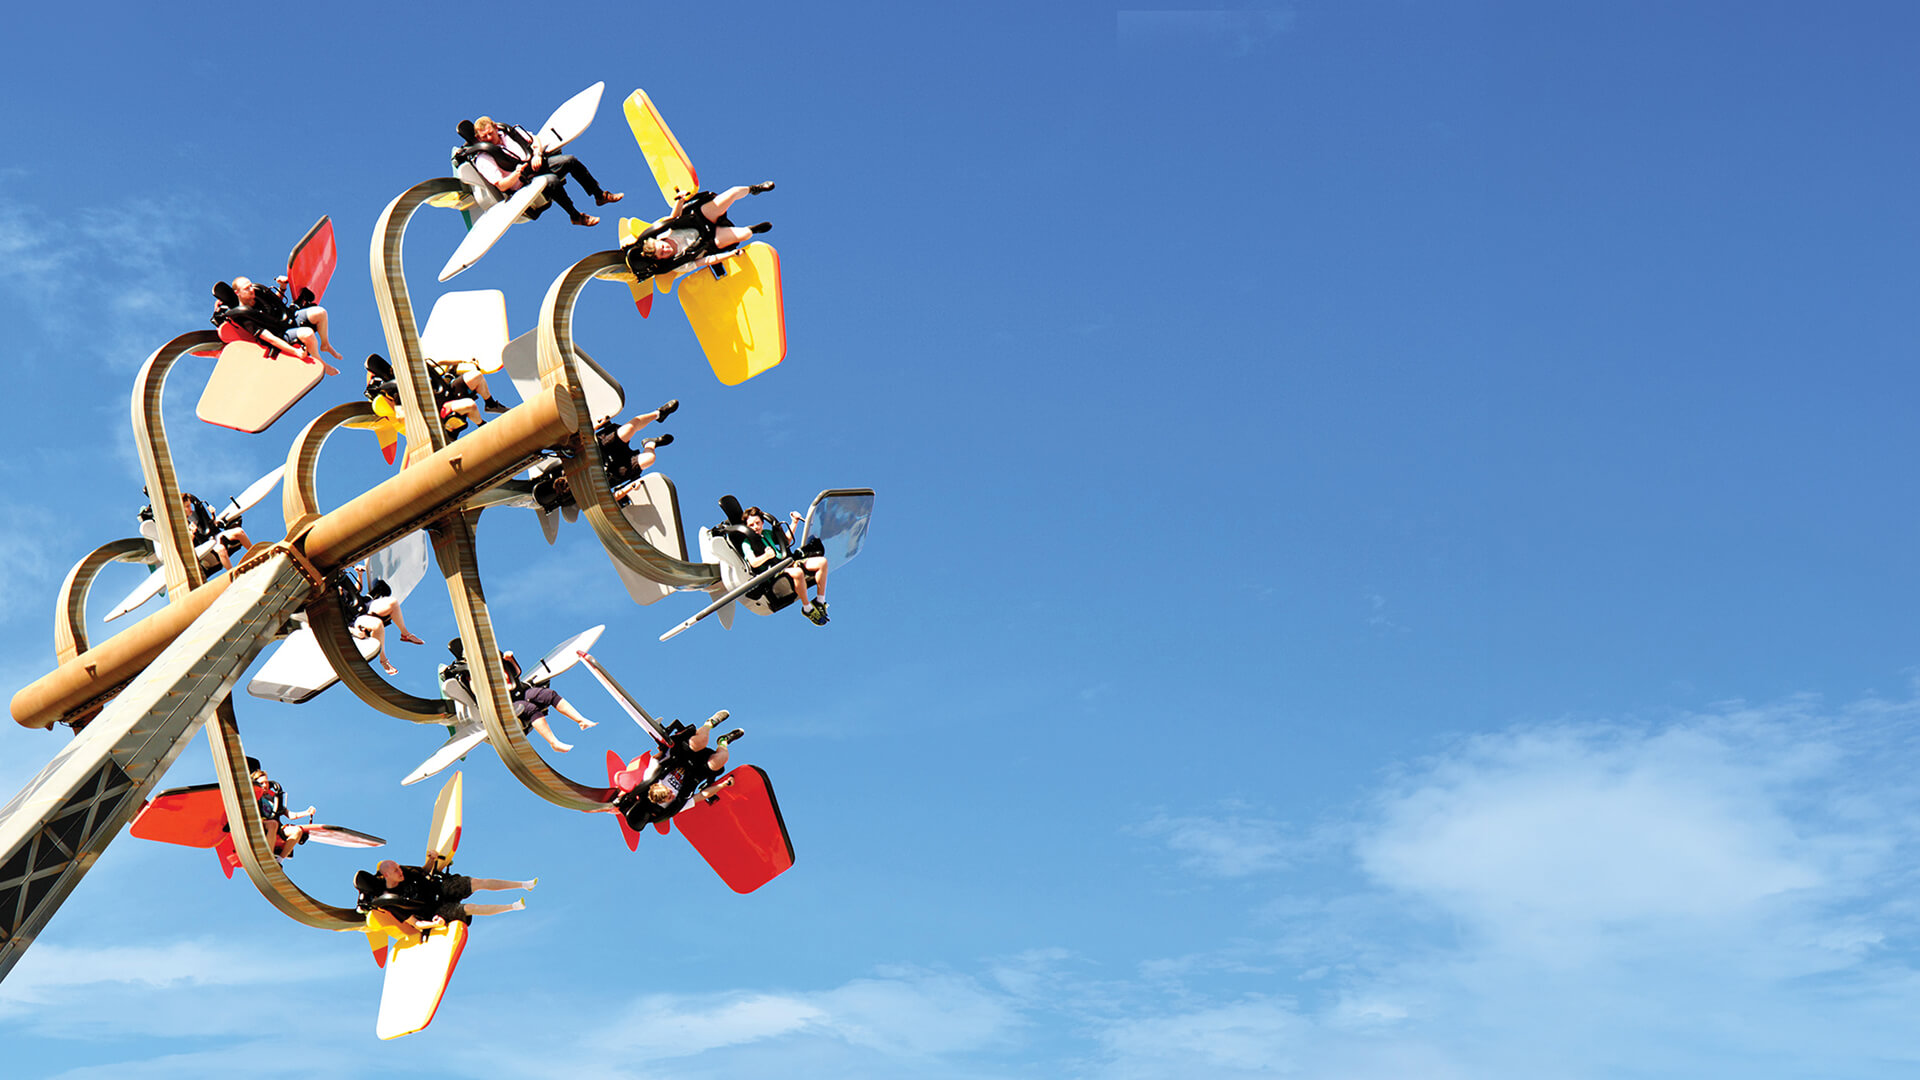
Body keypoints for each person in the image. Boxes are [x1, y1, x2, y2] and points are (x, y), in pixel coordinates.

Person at [453, 116, 622, 228]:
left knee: (570, 160)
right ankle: (576, 216)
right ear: (478, 138)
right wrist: (516, 173)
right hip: (524, 184)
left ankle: (599, 195)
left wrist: (537, 154)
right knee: (551, 181)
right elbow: (502, 185)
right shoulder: (484, 158)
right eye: (484, 137)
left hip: (537, 165)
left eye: (491, 133)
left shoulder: (508, 133)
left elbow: (535, 140)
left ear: (496, 128)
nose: (489, 138)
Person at [442, 638, 595, 753]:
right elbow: (480, 693)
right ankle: (554, 742)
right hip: (504, 705)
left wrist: (510, 659)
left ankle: (581, 720)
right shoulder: (472, 678)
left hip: (519, 692)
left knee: (548, 694)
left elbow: (516, 673)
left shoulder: (500, 663)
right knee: (529, 708)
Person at [608, 711, 743, 830]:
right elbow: (701, 796)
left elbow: (656, 758)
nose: (672, 795)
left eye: (669, 793)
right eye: (669, 797)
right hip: (696, 770)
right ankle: (723, 741)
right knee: (721, 759)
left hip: (682, 755)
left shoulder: (651, 778)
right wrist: (723, 785)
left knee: (701, 741)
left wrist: (663, 746)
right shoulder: (672, 807)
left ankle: (710, 723)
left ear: (660, 787)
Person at [354, 859, 534, 944]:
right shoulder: (391, 902)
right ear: (386, 875)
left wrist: (431, 860)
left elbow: (423, 872)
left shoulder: (404, 871)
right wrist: (435, 924)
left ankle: (524, 884)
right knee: (470, 908)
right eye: (395, 871)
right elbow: (416, 923)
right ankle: (514, 906)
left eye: (398, 868)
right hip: (435, 910)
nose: (400, 871)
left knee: (478, 883)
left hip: (439, 888)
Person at [621, 183, 775, 283]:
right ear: (660, 259)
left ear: (660, 241)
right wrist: (731, 254)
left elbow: (673, 218)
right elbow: (706, 260)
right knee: (745, 234)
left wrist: (680, 200)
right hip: (710, 238)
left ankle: (754, 189)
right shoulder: (678, 264)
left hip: (700, 219)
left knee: (733, 192)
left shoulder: (663, 234)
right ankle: (753, 229)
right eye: (662, 254)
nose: (666, 249)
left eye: (662, 247)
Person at [213, 277, 341, 375]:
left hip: (288, 319)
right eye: (247, 288)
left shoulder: (258, 293)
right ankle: (321, 364)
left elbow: (276, 304)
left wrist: (282, 286)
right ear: (237, 293)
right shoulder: (244, 316)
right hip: (280, 334)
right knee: (308, 333)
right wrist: (295, 352)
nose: (251, 289)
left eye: (250, 286)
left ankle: (325, 344)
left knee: (320, 312)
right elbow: (270, 338)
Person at [733, 505, 831, 624]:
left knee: (822, 562)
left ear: (762, 523)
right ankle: (807, 608)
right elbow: (753, 563)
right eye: (751, 525)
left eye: (757, 523)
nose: (755, 527)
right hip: (773, 572)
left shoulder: (766, 533)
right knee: (797, 572)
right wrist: (766, 556)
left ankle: (820, 601)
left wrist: (794, 522)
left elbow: (786, 540)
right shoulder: (746, 543)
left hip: (787, 564)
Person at [365, 353, 484, 433]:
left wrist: (464, 360)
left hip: (447, 394)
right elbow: (402, 417)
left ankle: (489, 406)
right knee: (469, 405)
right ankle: (480, 426)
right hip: (440, 411)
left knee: (473, 380)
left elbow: (439, 361)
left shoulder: (414, 371)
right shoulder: (398, 395)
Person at [344, 563, 424, 676]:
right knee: (377, 625)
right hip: (353, 619)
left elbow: (356, 591)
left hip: (363, 605)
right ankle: (383, 660)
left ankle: (405, 635)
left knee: (392, 603)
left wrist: (359, 575)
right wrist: (352, 631)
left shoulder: (341, 577)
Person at [247, 758, 315, 859]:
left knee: (297, 831)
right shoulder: (252, 796)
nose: (265, 785)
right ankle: (268, 856)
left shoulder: (274, 798)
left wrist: (307, 812)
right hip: (258, 823)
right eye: (261, 783)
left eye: (266, 782)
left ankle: (279, 859)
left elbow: (291, 815)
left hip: (274, 826)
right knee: (273, 824)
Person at [181, 491, 251, 572]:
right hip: (204, 547)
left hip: (214, 537)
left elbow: (208, 526)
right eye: (187, 506)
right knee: (221, 549)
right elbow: (186, 547)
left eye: (190, 505)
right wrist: (192, 534)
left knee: (239, 531)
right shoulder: (182, 525)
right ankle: (232, 572)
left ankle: (254, 552)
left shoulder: (195, 515)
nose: (190, 508)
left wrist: (213, 515)